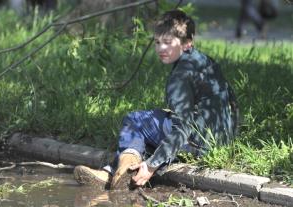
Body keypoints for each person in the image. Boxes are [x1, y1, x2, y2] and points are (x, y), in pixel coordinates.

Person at [74, 9, 239, 191]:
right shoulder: (205, 61)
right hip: (220, 140)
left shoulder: (180, 77)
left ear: (187, 43)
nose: (161, 49)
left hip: (198, 143)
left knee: (135, 120)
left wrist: (152, 165)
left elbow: (183, 128)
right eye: (157, 42)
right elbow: (232, 101)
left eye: (168, 42)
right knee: (153, 126)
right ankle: (109, 172)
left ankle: (121, 170)